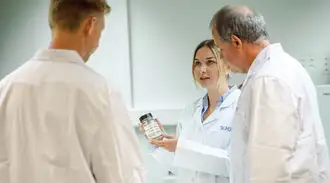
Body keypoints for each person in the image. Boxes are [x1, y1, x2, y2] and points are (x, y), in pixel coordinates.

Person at [0, 1, 145, 183]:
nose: (98, 43)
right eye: (101, 31)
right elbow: (123, 177)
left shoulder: (6, 89)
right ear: (90, 25)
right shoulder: (101, 93)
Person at [210, 5, 330, 183]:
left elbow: (271, 165)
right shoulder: (287, 66)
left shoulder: (268, 80)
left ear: (236, 42)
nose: (222, 57)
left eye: (221, 49)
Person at [141, 39, 241, 183]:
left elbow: (233, 164)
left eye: (210, 62)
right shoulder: (190, 111)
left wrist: (182, 148)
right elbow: (179, 165)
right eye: (197, 63)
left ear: (227, 66)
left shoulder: (241, 108)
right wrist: (160, 143)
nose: (202, 69)